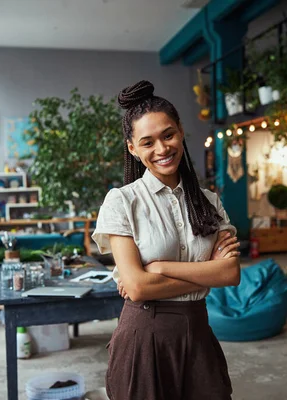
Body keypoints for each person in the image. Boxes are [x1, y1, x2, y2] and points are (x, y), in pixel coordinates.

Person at [91, 80, 241, 400]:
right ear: (132, 147)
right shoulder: (122, 202)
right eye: (148, 142)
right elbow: (138, 287)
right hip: (145, 335)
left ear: (181, 131)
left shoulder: (209, 202)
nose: (162, 149)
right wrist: (206, 273)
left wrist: (160, 268)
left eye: (168, 135)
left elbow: (230, 273)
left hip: (199, 331)